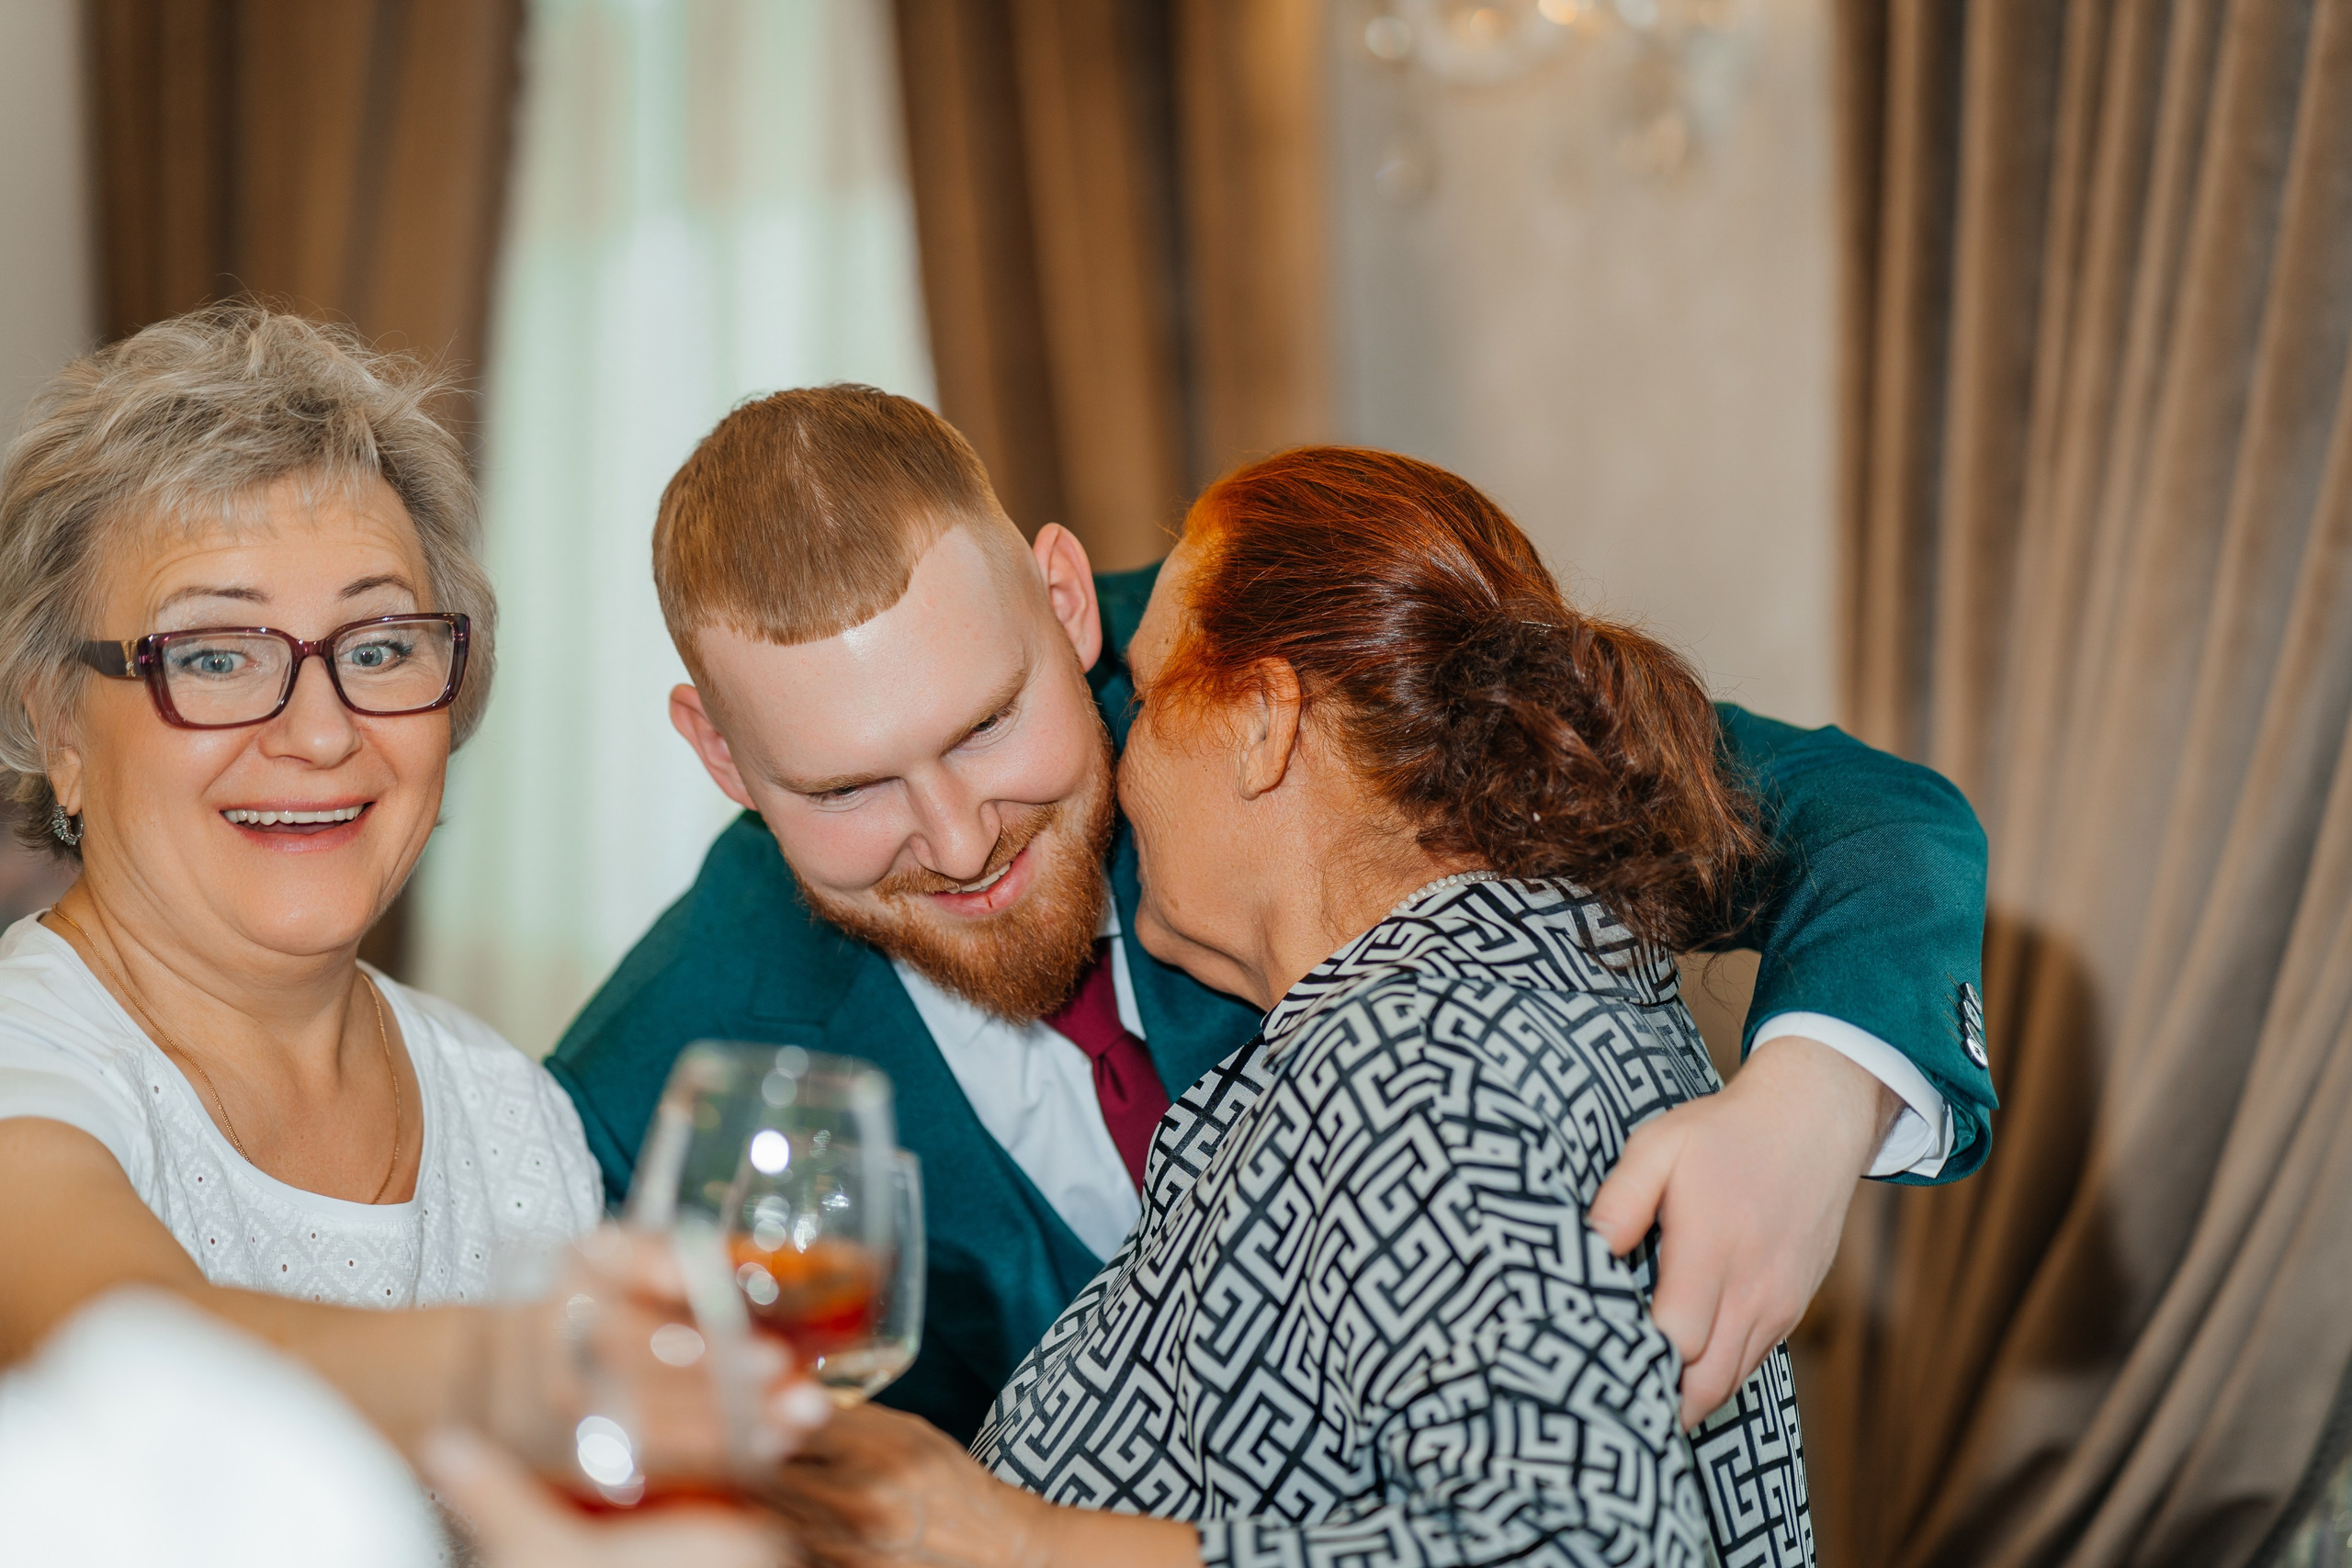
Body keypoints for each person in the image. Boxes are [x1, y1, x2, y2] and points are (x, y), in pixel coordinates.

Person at [548, 387, 1993, 1443]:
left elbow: (1861, 815)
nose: (957, 836)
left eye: (990, 724)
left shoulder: (1251, 671)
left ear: (1065, 603)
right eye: (848, 785)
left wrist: (1813, 1104)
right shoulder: (659, 1077)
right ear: (722, 757)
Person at [768, 445, 1822, 1565]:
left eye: (1144, 687)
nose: (1116, 764)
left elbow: (1569, 1547)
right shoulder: (1519, 989)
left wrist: (1015, 1543)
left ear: (1264, 721)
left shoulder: (1424, 1056)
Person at [0, 305, 814, 1482]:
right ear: (56, 721)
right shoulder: (26, 1059)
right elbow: (127, 1347)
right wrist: (561, 1363)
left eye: (379, 648)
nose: (323, 732)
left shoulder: (510, 1113)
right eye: (217, 656)